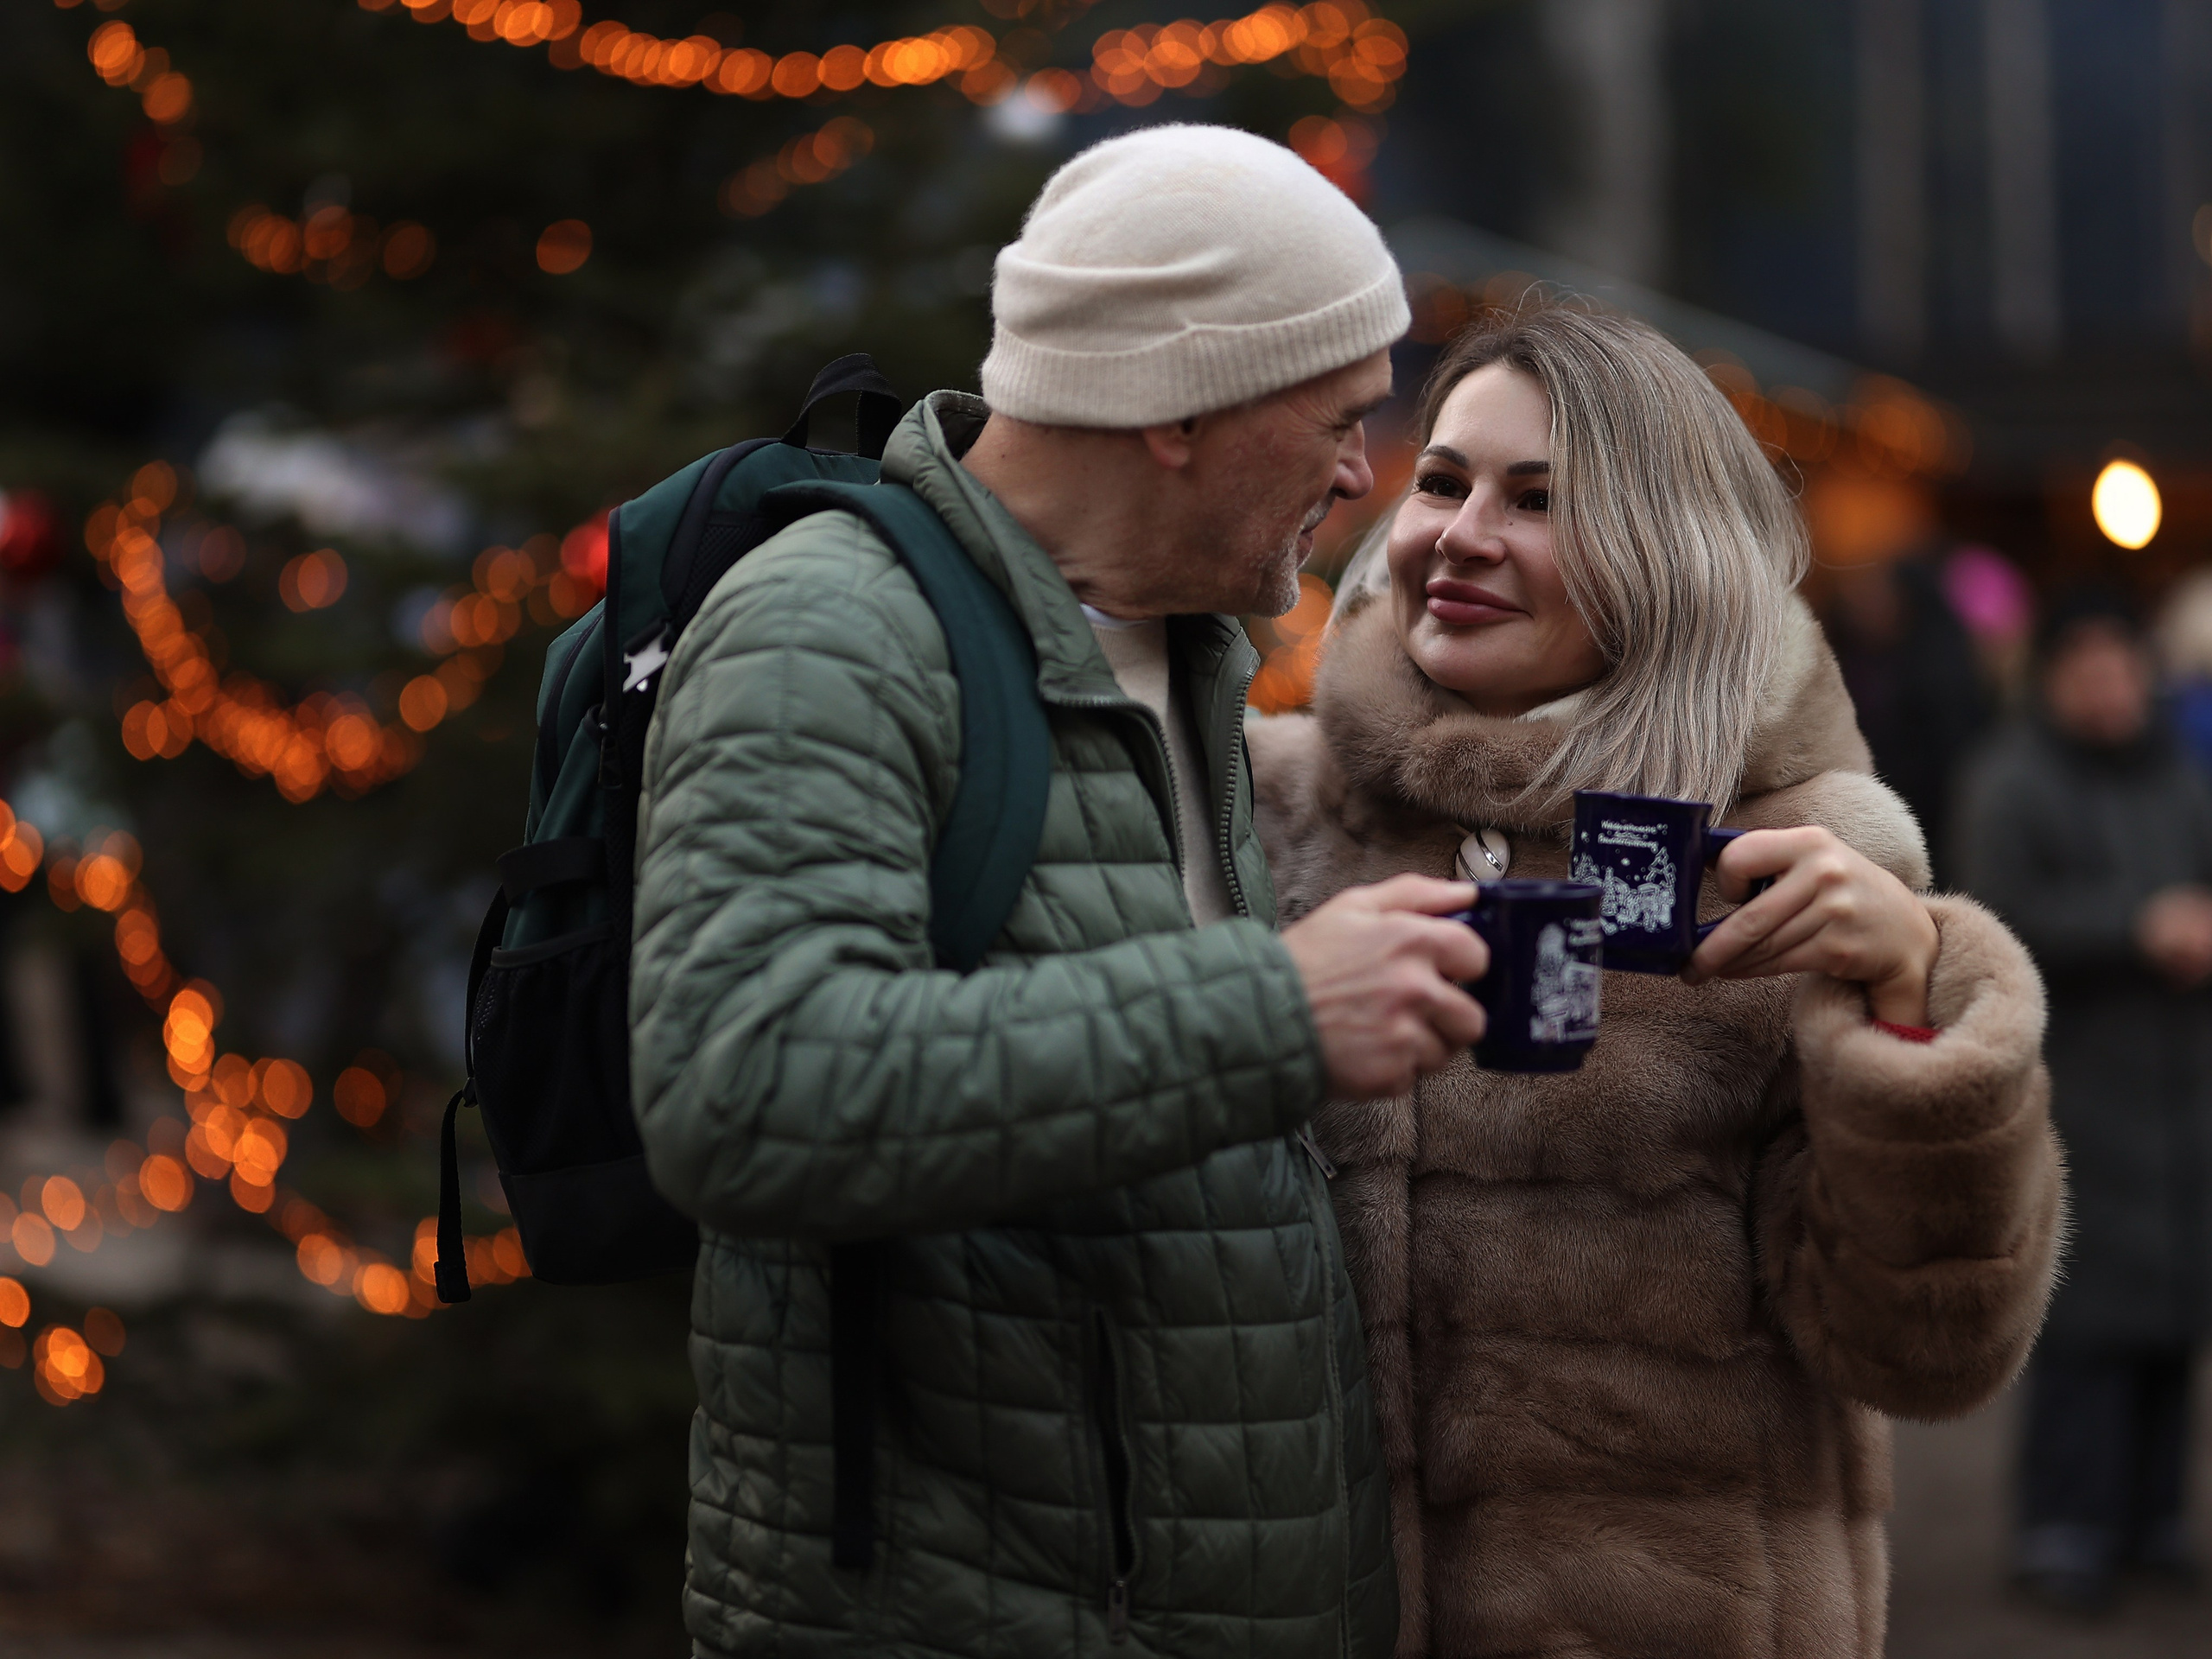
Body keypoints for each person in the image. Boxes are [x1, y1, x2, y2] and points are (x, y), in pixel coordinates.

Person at [627, 126, 1487, 1658]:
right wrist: (1273, 1010)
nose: (1366, 472)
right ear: (1180, 408)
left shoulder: (1186, 644)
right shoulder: (827, 632)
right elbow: (740, 1091)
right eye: (1339, 416)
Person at [1249, 303, 2064, 1657]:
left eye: (1537, 500)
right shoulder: (1265, 803)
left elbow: (1927, 1353)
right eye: (1442, 481)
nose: (1462, 534)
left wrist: (1912, 1004)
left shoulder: (1792, 864)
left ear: (1661, 550)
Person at [1957, 591, 2212, 1614]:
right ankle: (2064, 1529)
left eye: (2121, 667)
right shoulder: (2008, 778)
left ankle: (2154, 1518)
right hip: (2071, 1091)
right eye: (2086, 669)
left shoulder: (2178, 774)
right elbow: (1990, 921)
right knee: (2081, 1320)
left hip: (2181, 1091)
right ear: (2051, 678)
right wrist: (2133, 926)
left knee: (2173, 1318)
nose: (2108, 688)